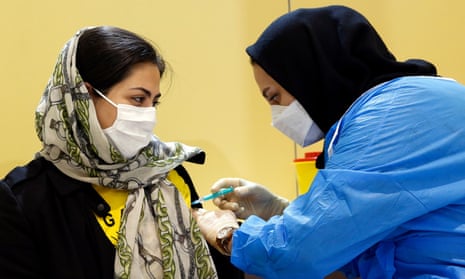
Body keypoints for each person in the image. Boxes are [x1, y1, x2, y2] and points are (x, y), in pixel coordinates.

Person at [193, 5, 465, 279]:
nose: (276, 117)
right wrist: (280, 210)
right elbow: (362, 224)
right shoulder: (421, 95)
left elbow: (298, 254)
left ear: (308, 75)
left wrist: (228, 235)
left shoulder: (385, 118)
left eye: (274, 97)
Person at [0, 26, 242, 279]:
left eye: (154, 102)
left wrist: (232, 238)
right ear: (84, 97)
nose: (149, 115)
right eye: (138, 100)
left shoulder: (165, 170)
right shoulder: (23, 199)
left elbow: (210, 266)